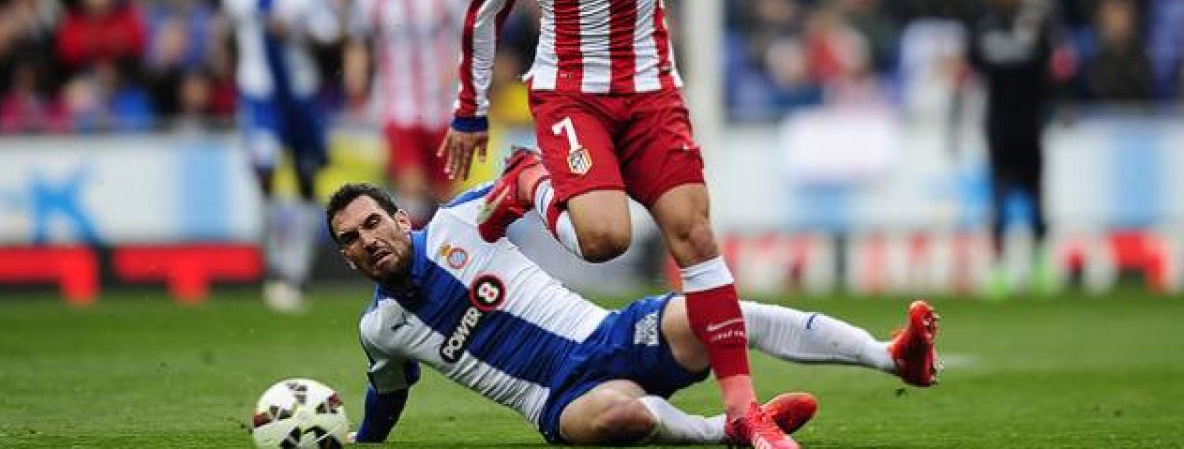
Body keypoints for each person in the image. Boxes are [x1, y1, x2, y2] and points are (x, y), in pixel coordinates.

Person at [438, 0, 891, 445]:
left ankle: (743, 412)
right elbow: (483, 18)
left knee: (695, 234)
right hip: (572, 95)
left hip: (652, 91)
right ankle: (526, 181)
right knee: (604, 239)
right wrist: (470, 112)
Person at [325, 171, 939, 446]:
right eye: (350, 240)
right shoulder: (383, 327)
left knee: (719, 312)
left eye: (373, 223)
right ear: (349, 260)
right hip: (557, 404)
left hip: (609, 333)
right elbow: (388, 390)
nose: (367, 241)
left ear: (401, 219)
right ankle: (730, 433)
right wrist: (365, 440)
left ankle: (892, 357)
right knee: (618, 417)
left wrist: (548, 204)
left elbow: (524, 175)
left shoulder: (462, 222)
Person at [221, 0, 340, 312]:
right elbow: (228, 36)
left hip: (299, 95)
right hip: (259, 97)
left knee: (306, 179)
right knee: (265, 172)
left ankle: (299, 270)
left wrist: (297, 31)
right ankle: (274, 266)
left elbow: (330, 33)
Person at [346, 0, 470, 225]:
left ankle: (445, 257)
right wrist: (356, 78)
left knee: (447, 195)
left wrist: (460, 72)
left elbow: (471, 36)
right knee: (410, 188)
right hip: (397, 105)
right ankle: (413, 265)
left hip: (443, 107)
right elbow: (358, 40)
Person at [966, 0, 1058, 298]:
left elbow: (1047, 63)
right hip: (999, 118)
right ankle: (1000, 267)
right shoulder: (982, 19)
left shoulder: (1036, 17)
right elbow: (976, 61)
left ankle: (1038, 264)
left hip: (1030, 116)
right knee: (999, 195)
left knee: (1035, 192)